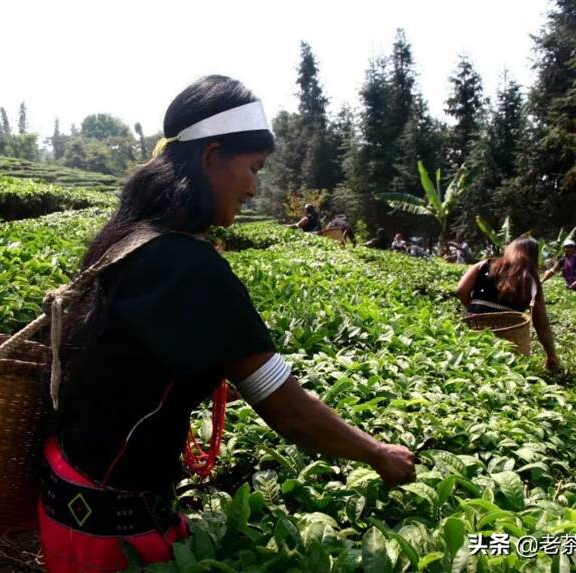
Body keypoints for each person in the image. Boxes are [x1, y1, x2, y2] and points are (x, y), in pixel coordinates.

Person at [36, 75, 416, 573]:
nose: (256, 187)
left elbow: (134, 366)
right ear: (212, 156)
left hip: (64, 488)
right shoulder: (191, 267)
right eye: (253, 168)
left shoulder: (132, 237)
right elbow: (287, 409)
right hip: (111, 533)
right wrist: (378, 453)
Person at [456, 237, 561, 369]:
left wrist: (474, 310)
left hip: (475, 325)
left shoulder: (485, 264)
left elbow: (461, 289)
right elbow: (541, 322)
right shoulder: (529, 278)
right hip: (507, 334)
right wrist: (551, 355)